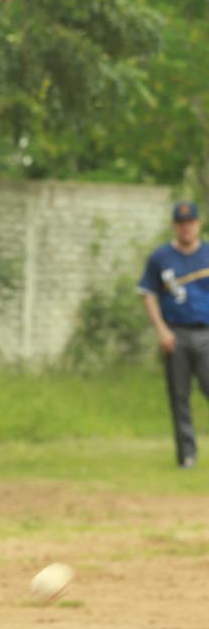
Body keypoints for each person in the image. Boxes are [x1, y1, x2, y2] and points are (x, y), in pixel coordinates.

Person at [138, 200, 209, 469]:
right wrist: (161, 329)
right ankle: (187, 455)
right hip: (175, 334)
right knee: (179, 397)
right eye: (181, 224)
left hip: (206, 333)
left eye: (190, 222)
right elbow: (147, 293)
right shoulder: (161, 258)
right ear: (174, 227)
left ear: (198, 224)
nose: (186, 228)